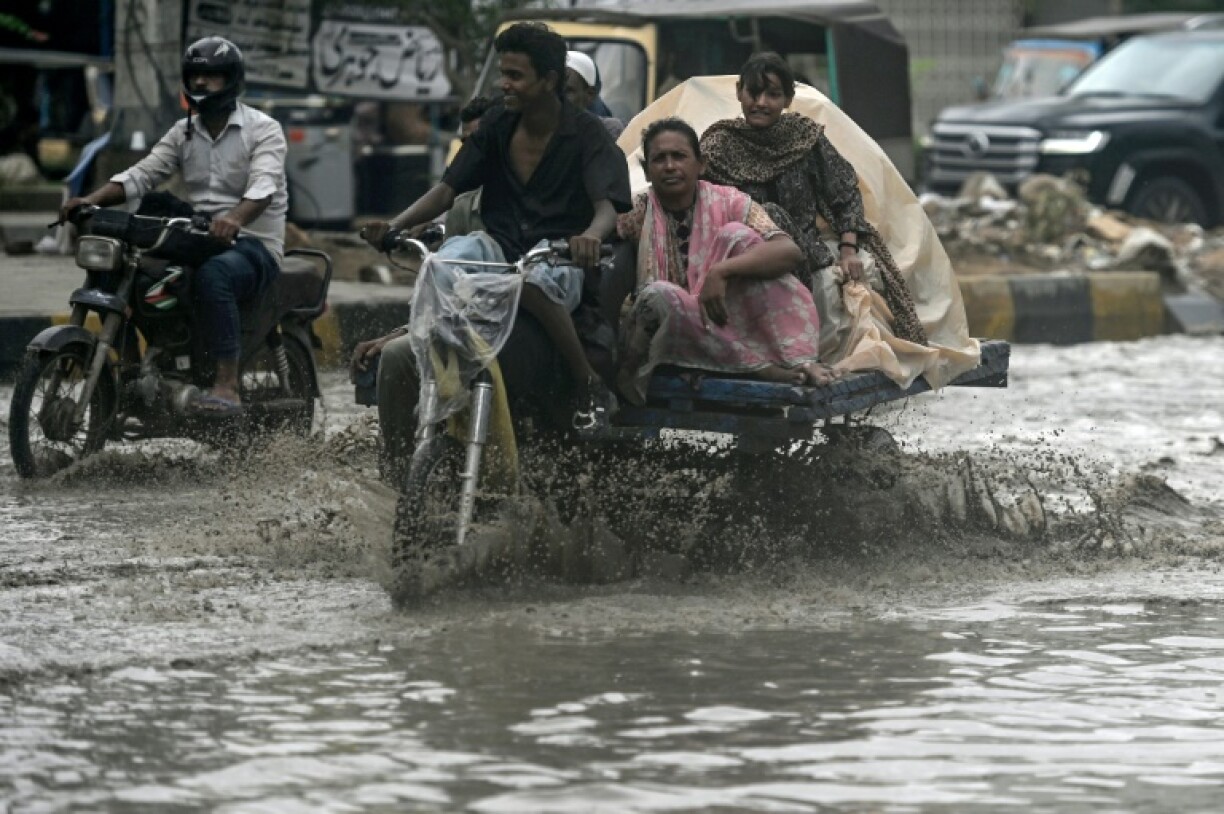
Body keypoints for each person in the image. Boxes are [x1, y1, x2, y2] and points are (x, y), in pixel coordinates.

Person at [355, 22, 631, 478]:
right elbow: (447, 190)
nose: (505, 84)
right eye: (502, 73)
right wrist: (396, 226)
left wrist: (591, 237)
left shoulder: (587, 135)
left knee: (535, 281)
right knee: (447, 259)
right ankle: (417, 430)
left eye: (516, 76)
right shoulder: (497, 125)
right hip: (498, 247)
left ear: (548, 80)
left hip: (557, 254)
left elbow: (606, 208)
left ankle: (586, 382)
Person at [62, 36, 287, 416]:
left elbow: (264, 187)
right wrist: (90, 200)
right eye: (195, 76)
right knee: (119, 268)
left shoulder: (262, 129)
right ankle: (131, 369)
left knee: (214, 277)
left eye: (211, 76)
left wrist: (234, 219)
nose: (201, 84)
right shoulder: (183, 132)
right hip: (199, 236)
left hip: (252, 244)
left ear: (230, 80)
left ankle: (226, 385)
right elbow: (141, 175)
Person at [699, 51, 927, 355]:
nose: (761, 102)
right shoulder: (718, 146)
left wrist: (848, 251)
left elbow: (845, 193)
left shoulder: (805, 138)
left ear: (789, 98)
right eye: (753, 92)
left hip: (807, 254)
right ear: (739, 91)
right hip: (741, 256)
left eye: (773, 94)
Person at [614, 117, 839, 405]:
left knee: (738, 236)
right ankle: (762, 368)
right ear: (646, 170)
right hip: (676, 326)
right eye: (659, 159)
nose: (670, 166)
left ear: (701, 164)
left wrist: (721, 272)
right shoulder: (637, 210)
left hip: (728, 318)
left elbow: (788, 251)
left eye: (679, 156)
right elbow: (602, 229)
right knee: (657, 296)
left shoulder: (730, 201)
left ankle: (795, 359)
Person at [564, 51, 624, 139]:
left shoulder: (609, 130)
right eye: (555, 89)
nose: (559, 96)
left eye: (568, 91)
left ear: (590, 94)